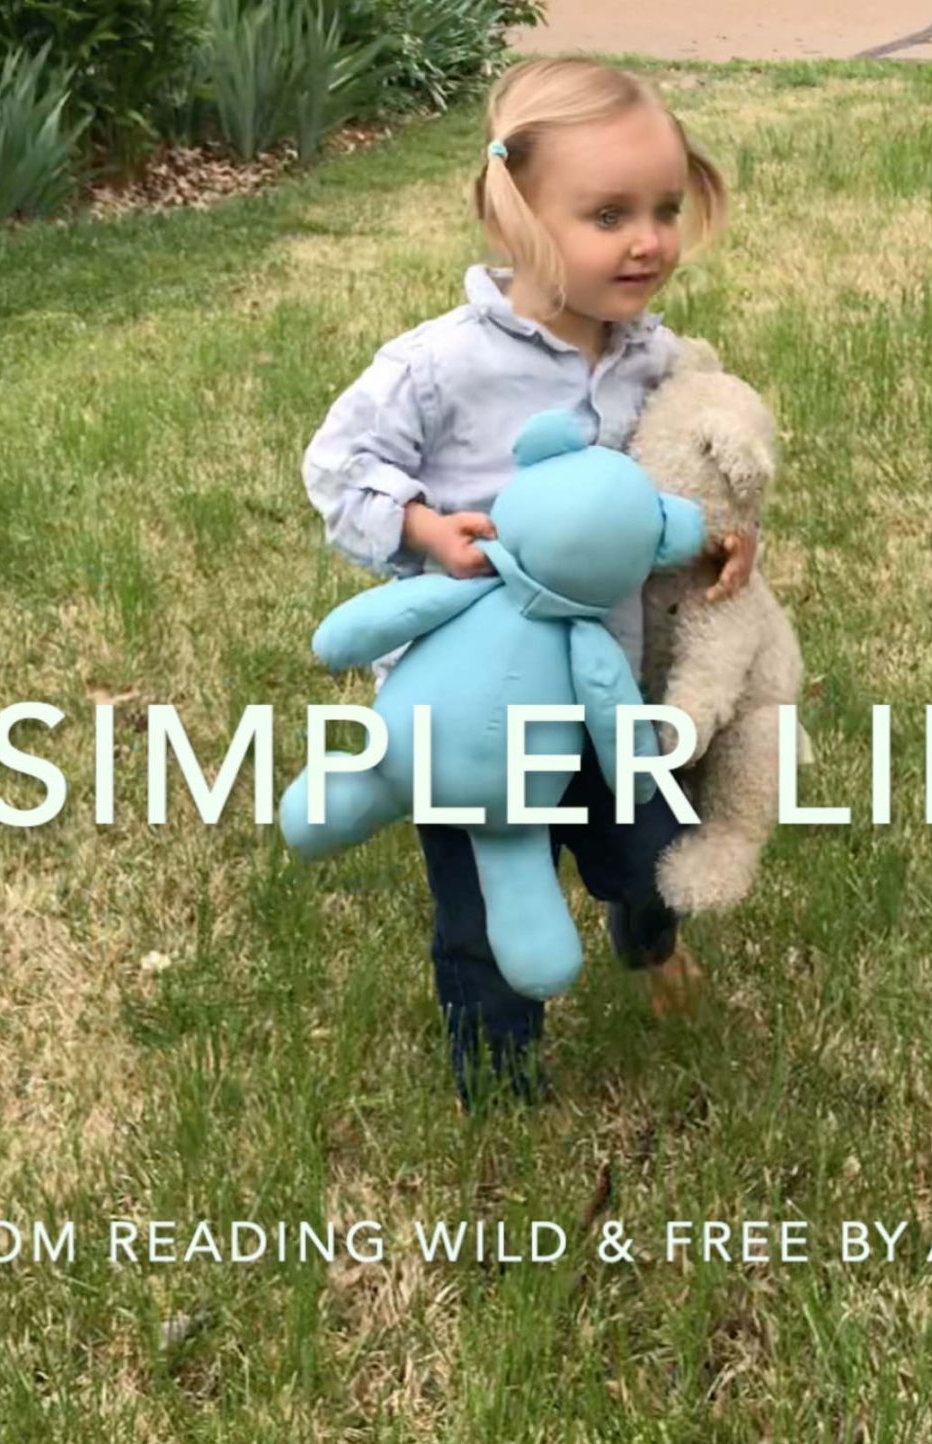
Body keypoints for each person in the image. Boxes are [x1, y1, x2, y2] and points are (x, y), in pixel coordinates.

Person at [302, 57, 757, 1111]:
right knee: (483, 909)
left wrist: (720, 542)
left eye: (662, 209)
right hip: (476, 725)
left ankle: (645, 939)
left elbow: (680, 485)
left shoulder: (659, 364)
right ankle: (500, 1076)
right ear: (513, 219)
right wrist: (421, 526)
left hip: (607, 696)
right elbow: (338, 466)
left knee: (649, 852)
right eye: (606, 214)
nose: (646, 240)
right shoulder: (440, 366)